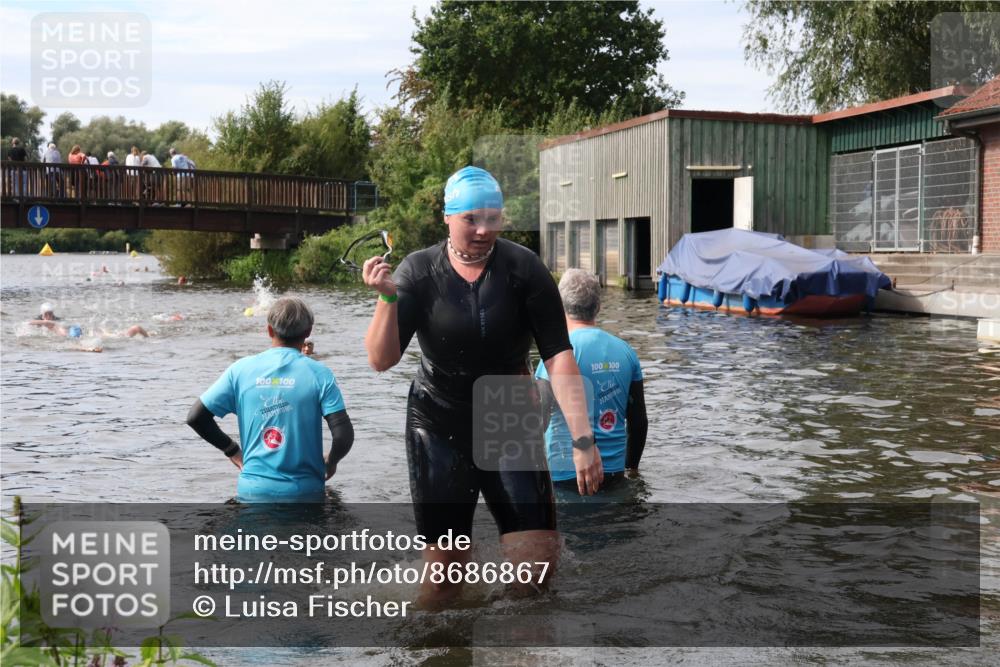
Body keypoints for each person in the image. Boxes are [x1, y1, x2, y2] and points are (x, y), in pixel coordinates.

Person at [362, 166, 602, 605]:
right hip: (438, 420)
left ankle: (517, 644)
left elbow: (559, 354)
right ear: (448, 217)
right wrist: (387, 297)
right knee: (447, 576)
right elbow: (381, 360)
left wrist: (583, 439)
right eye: (472, 218)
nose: (483, 229)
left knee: (536, 567)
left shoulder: (524, 269)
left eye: (493, 218)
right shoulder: (419, 271)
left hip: (508, 414)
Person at [187, 297, 354, 501]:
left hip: (252, 492)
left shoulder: (239, 370)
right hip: (305, 494)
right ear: (308, 331)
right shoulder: (320, 374)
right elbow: (343, 435)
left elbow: (196, 417)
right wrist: (331, 462)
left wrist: (233, 452)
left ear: (269, 330)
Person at [535, 269, 648, 492]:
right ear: (598, 306)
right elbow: (638, 422)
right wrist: (631, 469)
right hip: (613, 475)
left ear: (560, 306)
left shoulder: (555, 355)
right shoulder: (626, 352)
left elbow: (539, 420)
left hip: (565, 476)